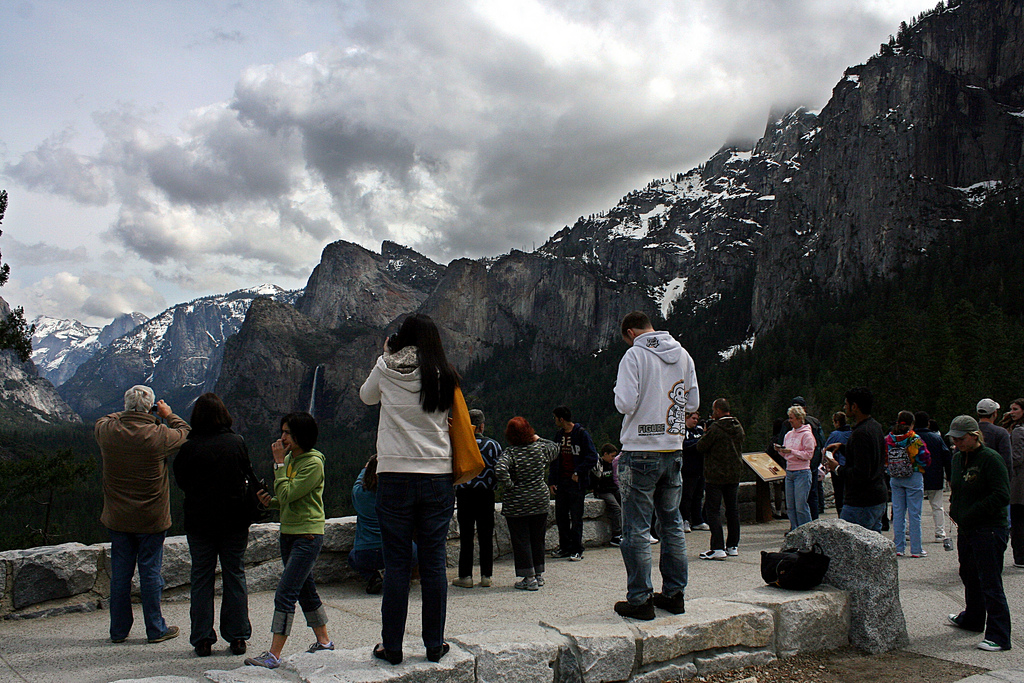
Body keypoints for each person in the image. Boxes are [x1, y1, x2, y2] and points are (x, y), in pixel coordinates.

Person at [359, 313, 458, 665]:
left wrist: (385, 354)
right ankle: (434, 645)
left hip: (395, 476)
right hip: (436, 476)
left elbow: (366, 397)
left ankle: (393, 647)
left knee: (397, 563)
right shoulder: (444, 374)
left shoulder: (385, 368)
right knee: (433, 564)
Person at [612, 311, 698, 620]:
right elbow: (693, 403)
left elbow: (625, 403)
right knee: (671, 523)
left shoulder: (634, 355)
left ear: (631, 333)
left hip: (640, 450)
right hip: (673, 449)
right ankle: (674, 594)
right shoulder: (683, 354)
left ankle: (640, 599)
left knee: (636, 527)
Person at [96, 385, 189, 645]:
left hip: (118, 517)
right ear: (150, 408)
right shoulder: (159, 434)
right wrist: (166, 414)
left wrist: (131, 412)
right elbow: (186, 433)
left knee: (121, 576)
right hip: (151, 518)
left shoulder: (107, 431)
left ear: (125, 407)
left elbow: (105, 418)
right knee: (150, 573)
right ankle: (155, 629)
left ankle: (118, 630)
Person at [245, 412, 333, 668]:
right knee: (306, 591)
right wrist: (270, 502)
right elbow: (288, 499)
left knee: (285, 593)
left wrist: (278, 464)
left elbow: (288, 492)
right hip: (290, 533)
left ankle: (273, 654)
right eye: (282, 431)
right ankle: (325, 641)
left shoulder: (313, 463)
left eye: (287, 433)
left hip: (307, 535)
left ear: (300, 436)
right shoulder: (293, 459)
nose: (281, 437)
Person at [173, 393, 254, 657]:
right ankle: (238, 636)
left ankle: (202, 639)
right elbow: (246, 474)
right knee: (235, 574)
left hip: (199, 523)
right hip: (234, 521)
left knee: (201, 578)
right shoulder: (236, 443)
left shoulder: (188, 448)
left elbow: (182, 482)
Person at [946, 415, 1012, 652]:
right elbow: (958, 488)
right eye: (954, 439)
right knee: (969, 575)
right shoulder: (956, 459)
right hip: (967, 529)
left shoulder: (991, 459)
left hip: (989, 529)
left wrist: (972, 513)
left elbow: (1002, 495)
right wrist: (956, 508)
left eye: (961, 439)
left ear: (974, 436)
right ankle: (973, 619)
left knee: (990, 581)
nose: (957, 443)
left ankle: (1000, 634)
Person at [495, 417, 559, 590]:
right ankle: (538, 575)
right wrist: (537, 437)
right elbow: (555, 448)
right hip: (539, 500)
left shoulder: (511, 453)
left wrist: (510, 485)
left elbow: (500, 469)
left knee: (521, 539)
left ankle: (528, 578)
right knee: (537, 538)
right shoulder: (539, 449)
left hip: (517, 504)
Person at [823, 387, 888, 531]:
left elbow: (861, 473)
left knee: (849, 548)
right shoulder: (875, 427)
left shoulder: (861, 434)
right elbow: (869, 456)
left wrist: (837, 468)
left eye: (846, 404)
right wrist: (844, 448)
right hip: (877, 497)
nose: (845, 407)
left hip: (861, 502)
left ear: (855, 406)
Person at [452, 409, 501, 588]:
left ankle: (465, 576)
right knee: (486, 535)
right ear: (481, 425)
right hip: (486, 495)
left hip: (465, 494)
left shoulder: (459, 443)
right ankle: (486, 575)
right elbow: (499, 470)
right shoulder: (493, 446)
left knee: (466, 536)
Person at [696, 398, 745, 560]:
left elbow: (701, 447)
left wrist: (705, 432)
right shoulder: (738, 427)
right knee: (733, 510)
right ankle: (732, 545)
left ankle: (717, 547)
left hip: (715, 475)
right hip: (734, 473)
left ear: (717, 410)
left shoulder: (716, 429)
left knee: (713, 511)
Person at [549, 406, 598, 562]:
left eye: (555, 418)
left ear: (561, 419)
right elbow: (554, 459)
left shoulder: (581, 434)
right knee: (561, 516)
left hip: (576, 483)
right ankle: (565, 547)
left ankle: (576, 549)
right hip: (562, 482)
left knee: (576, 517)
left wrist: (578, 472)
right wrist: (552, 481)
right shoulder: (559, 436)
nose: (554, 421)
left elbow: (592, 456)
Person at [885, 410, 931, 558]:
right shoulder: (914, 439)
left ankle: (899, 547)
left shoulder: (890, 439)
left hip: (895, 476)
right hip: (913, 476)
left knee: (898, 513)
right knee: (914, 514)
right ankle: (916, 549)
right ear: (912, 424)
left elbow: (885, 456)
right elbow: (925, 458)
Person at [349, 455, 385, 595]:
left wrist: (366, 468)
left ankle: (373, 578)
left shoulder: (359, 494)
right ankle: (397, 576)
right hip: (391, 550)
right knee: (414, 552)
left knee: (353, 557)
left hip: (366, 553)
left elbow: (358, 482)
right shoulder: (393, 495)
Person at [915, 411, 952, 543]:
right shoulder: (936, 438)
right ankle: (939, 533)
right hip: (935, 475)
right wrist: (949, 475)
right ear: (928, 423)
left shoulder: (911, 437)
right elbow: (946, 455)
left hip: (915, 475)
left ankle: (909, 531)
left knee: (913, 506)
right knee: (937, 506)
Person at [780, 405, 816, 530]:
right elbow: (786, 453)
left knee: (800, 505)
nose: (790, 420)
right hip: (790, 471)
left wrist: (792, 451)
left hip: (802, 472)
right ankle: (794, 530)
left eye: (792, 418)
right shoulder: (788, 434)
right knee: (791, 506)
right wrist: (782, 450)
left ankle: (807, 530)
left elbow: (808, 455)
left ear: (800, 419)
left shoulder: (807, 435)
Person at [680, 411, 706, 533]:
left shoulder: (699, 431)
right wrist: (698, 442)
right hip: (688, 468)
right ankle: (685, 519)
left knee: (698, 495)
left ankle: (698, 520)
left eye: (697, 418)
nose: (695, 421)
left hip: (700, 468)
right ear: (686, 418)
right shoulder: (682, 431)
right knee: (687, 496)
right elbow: (684, 445)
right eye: (693, 418)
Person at [1005, 400, 1024, 567]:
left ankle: (1020, 555)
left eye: (1015, 409)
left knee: (1017, 520)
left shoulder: (1018, 431)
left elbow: (1016, 458)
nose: (1011, 412)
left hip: (1019, 482)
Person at [592, 443, 623, 546]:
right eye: (612, 456)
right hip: (603, 491)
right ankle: (616, 535)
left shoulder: (611, 464)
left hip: (613, 489)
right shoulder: (598, 464)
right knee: (616, 509)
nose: (613, 458)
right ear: (605, 454)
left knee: (626, 502)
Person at [824, 412, 852, 515]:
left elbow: (826, 449)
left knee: (839, 493)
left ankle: (841, 514)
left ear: (837, 422)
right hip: (850, 466)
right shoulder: (852, 433)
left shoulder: (835, 435)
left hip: (838, 466)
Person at [978, 399, 1013, 473]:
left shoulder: (969, 431)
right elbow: (1006, 461)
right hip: (993, 476)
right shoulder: (1001, 433)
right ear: (994, 413)